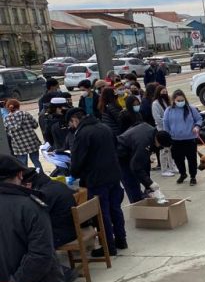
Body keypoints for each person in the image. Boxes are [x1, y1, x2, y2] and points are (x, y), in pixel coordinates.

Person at [68, 109, 127, 256]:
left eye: (71, 123)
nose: (72, 126)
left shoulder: (82, 134)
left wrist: (73, 172)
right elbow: (115, 146)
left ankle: (108, 246)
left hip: (96, 179)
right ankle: (121, 239)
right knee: (115, 209)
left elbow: (77, 160)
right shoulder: (104, 127)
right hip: (113, 175)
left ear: (75, 120)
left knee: (102, 214)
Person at [117, 116, 172, 202]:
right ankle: (137, 205)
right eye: (161, 147)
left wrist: (148, 185)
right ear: (158, 142)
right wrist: (150, 183)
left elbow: (145, 163)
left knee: (139, 180)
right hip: (120, 156)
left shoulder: (151, 130)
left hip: (129, 152)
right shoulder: (144, 143)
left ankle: (141, 198)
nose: (160, 149)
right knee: (132, 182)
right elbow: (136, 167)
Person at [21, 168, 76, 248]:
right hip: (70, 228)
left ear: (28, 185)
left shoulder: (43, 194)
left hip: (61, 234)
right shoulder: (55, 184)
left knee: (21, 242)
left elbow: (35, 219)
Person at [162, 89, 203, 185]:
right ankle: (183, 174)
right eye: (178, 100)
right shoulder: (169, 110)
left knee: (192, 159)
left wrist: (197, 126)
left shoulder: (191, 109)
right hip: (175, 140)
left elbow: (199, 119)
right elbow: (166, 124)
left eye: (182, 100)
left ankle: (193, 176)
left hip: (190, 139)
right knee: (178, 159)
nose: (181, 102)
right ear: (174, 100)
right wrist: (167, 137)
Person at [3, 99, 42, 169]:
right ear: (18, 106)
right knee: (36, 161)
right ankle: (40, 175)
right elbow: (35, 125)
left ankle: (25, 177)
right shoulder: (25, 114)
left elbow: (7, 132)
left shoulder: (6, 119)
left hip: (18, 145)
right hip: (32, 142)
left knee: (23, 163)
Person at [151, 85, 177, 177]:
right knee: (163, 150)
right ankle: (164, 169)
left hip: (169, 130)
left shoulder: (167, 101)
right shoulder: (155, 104)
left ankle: (172, 166)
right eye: (162, 92)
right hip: (161, 130)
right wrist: (167, 122)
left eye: (165, 92)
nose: (164, 94)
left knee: (169, 149)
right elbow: (157, 118)